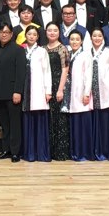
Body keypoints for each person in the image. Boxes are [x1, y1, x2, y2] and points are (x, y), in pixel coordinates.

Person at [0, 23, 27, 162]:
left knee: (15, 124)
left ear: (12, 34)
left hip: (13, 94)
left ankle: (15, 152)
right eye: (1, 32)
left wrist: (18, 91)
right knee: (4, 125)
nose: (4, 34)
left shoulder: (18, 50)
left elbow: (21, 72)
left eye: (7, 32)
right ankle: (6, 149)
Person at [87, 28, 109, 161]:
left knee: (105, 121)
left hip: (106, 90)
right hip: (90, 91)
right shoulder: (86, 53)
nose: (97, 38)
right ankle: (93, 150)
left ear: (103, 38)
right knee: (93, 120)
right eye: (94, 36)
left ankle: (107, 150)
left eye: (99, 36)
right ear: (91, 38)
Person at [20, 24, 52, 162]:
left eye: (34, 34)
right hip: (25, 89)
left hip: (39, 89)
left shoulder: (42, 51)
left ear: (38, 37)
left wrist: (48, 91)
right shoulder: (21, 50)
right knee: (27, 119)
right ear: (25, 36)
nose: (31, 37)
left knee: (39, 120)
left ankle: (41, 152)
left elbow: (47, 71)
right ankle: (29, 153)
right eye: (29, 34)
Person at [63, 30, 93, 161]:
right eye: (72, 39)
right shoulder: (68, 54)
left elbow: (88, 75)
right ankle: (73, 151)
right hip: (69, 93)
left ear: (81, 41)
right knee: (73, 124)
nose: (74, 41)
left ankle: (83, 152)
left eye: (77, 39)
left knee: (82, 124)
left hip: (81, 93)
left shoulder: (86, 55)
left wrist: (86, 93)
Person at [44, 22, 70, 161]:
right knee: (48, 118)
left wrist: (60, 89)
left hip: (58, 85)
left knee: (59, 118)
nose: (52, 33)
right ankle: (49, 150)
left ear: (59, 32)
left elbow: (65, 69)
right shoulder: (43, 48)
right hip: (46, 86)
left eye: (55, 30)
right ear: (45, 32)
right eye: (49, 30)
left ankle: (60, 151)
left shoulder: (62, 48)